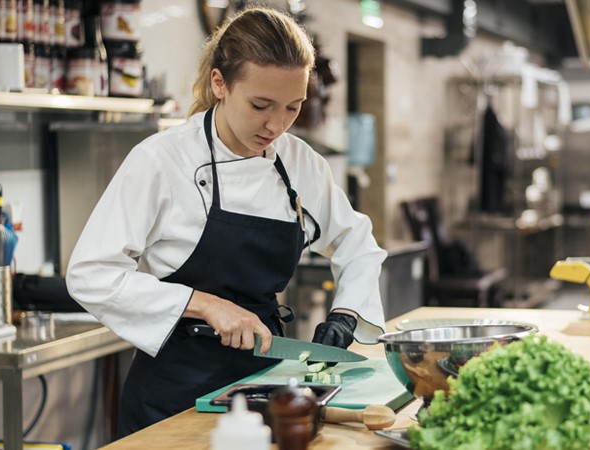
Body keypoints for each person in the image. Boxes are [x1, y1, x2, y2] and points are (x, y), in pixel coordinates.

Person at [66, 6, 386, 437]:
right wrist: (205, 304)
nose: (276, 125)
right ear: (220, 83)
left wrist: (345, 315)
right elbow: (90, 274)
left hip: (265, 382)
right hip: (172, 395)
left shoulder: (300, 163)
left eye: (293, 107)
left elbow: (357, 242)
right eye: (260, 105)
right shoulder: (162, 160)